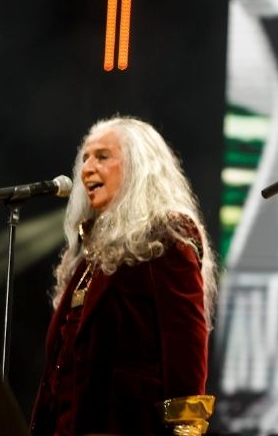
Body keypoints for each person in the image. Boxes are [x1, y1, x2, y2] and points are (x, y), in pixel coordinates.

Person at [30, 117, 218, 436]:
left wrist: (187, 429)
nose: (87, 168)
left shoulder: (165, 234)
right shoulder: (86, 255)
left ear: (138, 167)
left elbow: (185, 344)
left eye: (102, 156)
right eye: (85, 158)